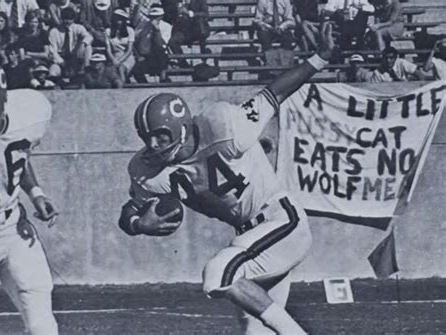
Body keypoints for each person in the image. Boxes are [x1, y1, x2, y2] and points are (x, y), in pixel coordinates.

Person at [118, 23, 334, 335]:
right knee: (253, 331)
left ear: (180, 127)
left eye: (160, 136)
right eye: (146, 138)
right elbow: (129, 212)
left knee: (219, 274)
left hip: (281, 222)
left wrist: (321, 58)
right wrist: (139, 225)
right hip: (251, 237)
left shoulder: (225, 125)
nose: (152, 145)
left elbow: (274, 94)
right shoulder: (148, 169)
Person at [0, 59, 59, 335]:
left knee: (42, 323)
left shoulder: (30, 114)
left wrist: (36, 193)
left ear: (2, 102)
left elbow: (19, 152)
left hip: (11, 230)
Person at [105, 9, 135, 83]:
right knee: (113, 70)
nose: (119, 22)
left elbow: (129, 49)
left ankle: (123, 85)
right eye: (117, 19)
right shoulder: (108, 31)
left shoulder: (130, 30)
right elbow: (108, 49)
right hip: (114, 56)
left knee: (121, 68)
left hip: (127, 56)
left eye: (121, 19)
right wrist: (113, 60)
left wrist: (120, 60)